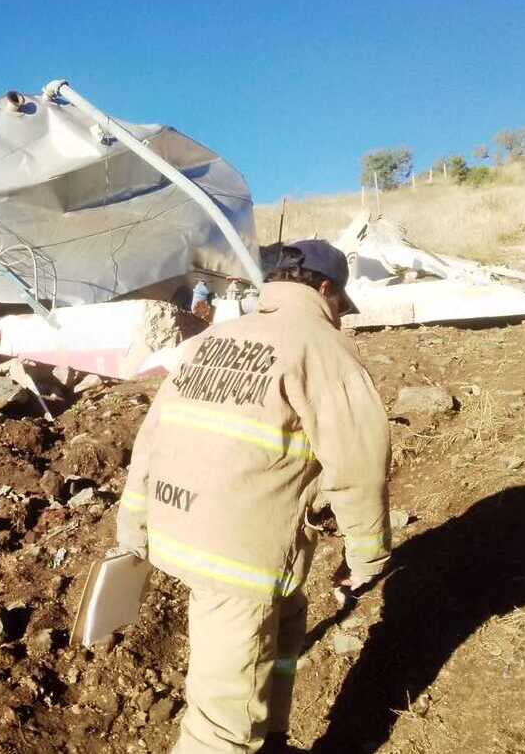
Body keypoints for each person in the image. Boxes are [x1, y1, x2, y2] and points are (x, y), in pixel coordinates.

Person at [115, 239, 391, 753]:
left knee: (284, 625)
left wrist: (133, 525)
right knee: (223, 720)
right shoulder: (320, 346)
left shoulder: (212, 340)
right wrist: (367, 553)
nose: (338, 315)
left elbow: (152, 438)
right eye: (338, 304)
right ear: (326, 289)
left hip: (182, 526)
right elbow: (359, 464)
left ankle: (273, 739)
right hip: (239, 556)